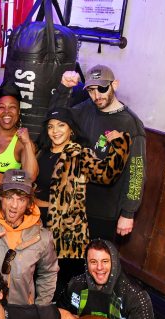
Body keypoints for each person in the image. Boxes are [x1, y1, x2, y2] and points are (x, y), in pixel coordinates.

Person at [34, 108, 130, 294]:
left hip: (64, 230)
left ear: (71, 130)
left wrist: (119, 143)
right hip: (36, 222)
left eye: (61, 125)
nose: (55, 131)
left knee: (60, 285)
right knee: (36, 278)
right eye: (51, 126)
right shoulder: (42, 151)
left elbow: (107, 174)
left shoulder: (78, 155)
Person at [52, 65, 146, 240]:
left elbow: (137, 173)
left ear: (114, 85)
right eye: (91, 90)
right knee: (67, 260)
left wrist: (128, 213)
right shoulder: (87, 108)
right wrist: (63, 89)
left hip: (104, 211)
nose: (97, 96)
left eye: (102, 89)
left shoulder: (130, 123)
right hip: (75, 202)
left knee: (94, 263)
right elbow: (56, 120)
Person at [0, 170, 58, 305]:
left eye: (21, 199)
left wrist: (40, 308)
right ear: (0, 197)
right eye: (9, 197)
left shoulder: (42, 237)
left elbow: (49, 273)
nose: (14, 205)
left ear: (29, 203)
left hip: (21, 313)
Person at [0, 85, 38, 206]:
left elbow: (30, 177)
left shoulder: (22, 141)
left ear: (19, 111)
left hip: (2, 203)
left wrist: (27, 143)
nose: (6, 112)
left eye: (12, 107)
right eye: (1, 107)